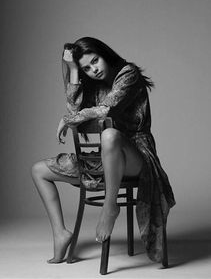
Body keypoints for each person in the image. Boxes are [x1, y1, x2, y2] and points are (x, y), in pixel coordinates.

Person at [31, 37, 175, 264]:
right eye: (86, 68)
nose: (93, 69)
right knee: (38, 170)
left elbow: (106, 109)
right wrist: (73, 71)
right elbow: (75, 110)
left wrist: (70, 119)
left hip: (136, 154)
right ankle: (60, 234)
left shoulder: (128, 74)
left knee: (109, 135)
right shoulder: (92, 84)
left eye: (95, 61)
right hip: (104, 159)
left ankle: (110, 206)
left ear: (104, 54)